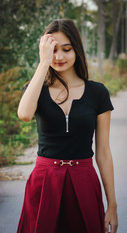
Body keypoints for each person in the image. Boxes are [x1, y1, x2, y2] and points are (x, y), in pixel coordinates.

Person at [16, 19, 118, 233]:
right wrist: (43, 64)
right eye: (53, 50)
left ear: (76, 50)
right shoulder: (36, 89)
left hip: (84, 181)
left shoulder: (98, 92)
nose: (59, 57)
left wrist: (112, 205)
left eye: (66, 49)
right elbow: (24, 114)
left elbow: (104, 153)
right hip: (45, 183)